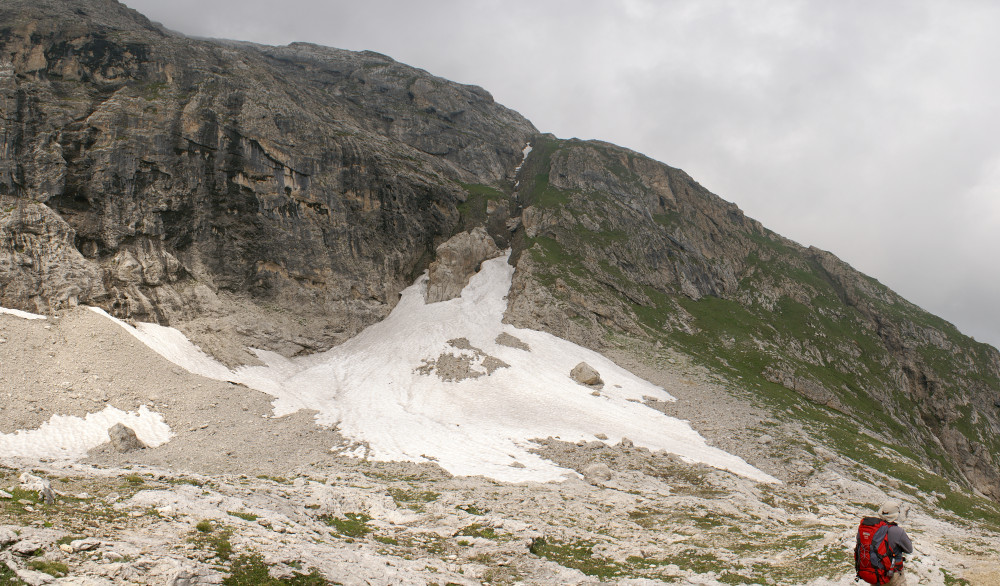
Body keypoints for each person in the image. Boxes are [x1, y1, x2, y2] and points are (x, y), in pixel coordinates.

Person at [879, 500, 914, 585]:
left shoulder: (873, 528)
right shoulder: (898, 531)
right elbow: (909, 549)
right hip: (893, 573)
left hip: (876, 573)